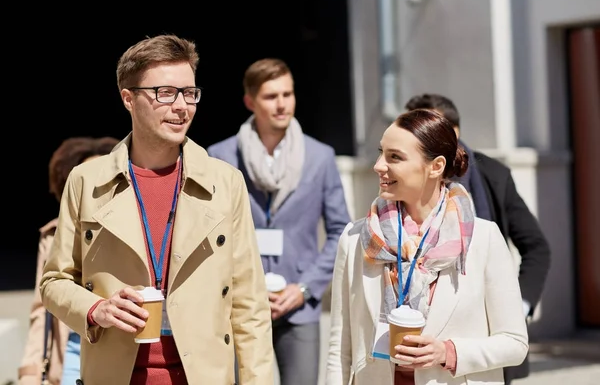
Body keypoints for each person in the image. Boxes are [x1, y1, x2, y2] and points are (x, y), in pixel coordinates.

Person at [40, 34, 274, 385]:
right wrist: (95, 308)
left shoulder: (226, 182)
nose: (182, 106)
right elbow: (54, 281)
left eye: (190, 93)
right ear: (128, 99)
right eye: (165, 93)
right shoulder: (86, 181)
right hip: (114, 374)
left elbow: (250, 304)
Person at [326, 108, 529, 385]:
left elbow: (515, 343)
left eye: (394, 157)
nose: (378, 165)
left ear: (436, 167)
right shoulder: (354, 239)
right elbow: (340, 349)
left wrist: (448, 352)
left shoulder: (484, 239)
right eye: (380, 152)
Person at [207, 57, 351, 385]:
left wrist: (304, 287)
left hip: (298, 305)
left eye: (288, 94)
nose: (282, 104)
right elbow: (210, 233)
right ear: (250, 101)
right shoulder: (220, 156)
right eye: (272, 97)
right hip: (238, 304)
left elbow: (340, 231)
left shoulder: (320, 156)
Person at [404, 93, 551, 384]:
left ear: (454, 133)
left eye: (428, 129)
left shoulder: (493, 176)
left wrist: (515, 309)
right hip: (421, 341)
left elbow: (536, 248)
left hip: (485, 341)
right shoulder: (401, 184)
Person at [18, 136, 119, 385]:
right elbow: (42, 309)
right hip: (71, 350)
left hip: (120, 350)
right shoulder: (53, 236)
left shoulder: (131, 231)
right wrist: (30, 373)